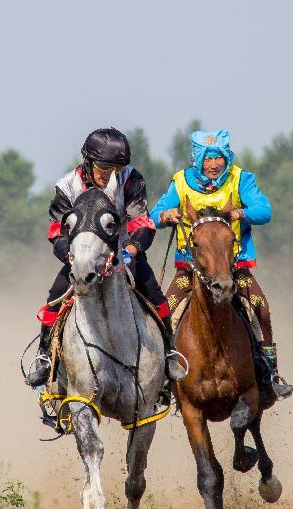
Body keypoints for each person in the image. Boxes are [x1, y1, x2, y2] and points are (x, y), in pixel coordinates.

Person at [25, 127, 186, 391]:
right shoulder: (68, 187)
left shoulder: (131, 180)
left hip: (123, 252)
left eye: (116, 169)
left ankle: (169, 352)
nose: (110, 175)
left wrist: (128, 252)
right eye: (104, 167)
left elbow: (143, 225)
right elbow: (57, 232)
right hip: (82, 256)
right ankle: (44, 357)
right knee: (55, 294)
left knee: (156, 295)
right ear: (88, 161)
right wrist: (73, 257)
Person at [149, 130, 293, 399]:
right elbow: (154, 216)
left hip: (234, 270)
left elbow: (265, 210)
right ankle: (161, 379)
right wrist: (166, 214)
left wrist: (242, 211)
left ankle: (270, 373)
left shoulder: (241, 179)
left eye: (219, 158)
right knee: (162, 313)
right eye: (208, 158)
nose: (214, 164)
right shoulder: (180, 182)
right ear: (197, 159)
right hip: (189, 272)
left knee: (261, 309)